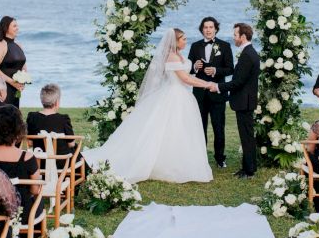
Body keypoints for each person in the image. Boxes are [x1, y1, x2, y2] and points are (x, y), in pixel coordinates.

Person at [83, 28, 213, 183]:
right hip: (174, 95)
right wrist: (207, 84)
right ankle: (166, 164)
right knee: (170, 128)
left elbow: (186, 76)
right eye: (183, 38)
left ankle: (177, 159)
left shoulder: (178, 55)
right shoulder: (172, 57)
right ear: (175, 41)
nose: (186, 41)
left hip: (181, 94)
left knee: (179, 129)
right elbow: (185, 79)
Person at [209, 23, 260, 179]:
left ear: (243, 36)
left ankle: (249, 170)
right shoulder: (249, 52)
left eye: (235, 35)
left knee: (246, 137)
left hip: (244, 102)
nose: (233, 37)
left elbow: (237, 82)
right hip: (245, 101)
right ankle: (248, 167)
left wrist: (217, 87)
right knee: (247, 136)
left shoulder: (247, 55)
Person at [188, 17, 234, 168]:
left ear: (216, 29)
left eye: (211, 27)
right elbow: (188, 69)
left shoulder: (225, 46)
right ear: (202, 29)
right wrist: (195, 67)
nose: (208, 30)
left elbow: (230, 69)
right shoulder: (195, 46)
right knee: (199, 127)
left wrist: (216, 70)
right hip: (200, 94)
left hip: (217, 94)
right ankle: (200, 158)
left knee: (218, 127)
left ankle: (220, 159)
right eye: (205, 27)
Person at [0, 105, 42, 225]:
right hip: (21, 214)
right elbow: (35, 190)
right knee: (38, 199)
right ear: (18, 130)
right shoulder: (27, 158)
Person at [27, 84, 84, 168]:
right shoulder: (63, 119)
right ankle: (89, 173)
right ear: (57, 102)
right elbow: (71, 144)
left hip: (40, 161)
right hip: (62, 162)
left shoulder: (32, 117)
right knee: (74, 148)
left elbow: (30, 142)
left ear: (42, 101)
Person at [0, 16, 27, 108]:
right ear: (6, 28)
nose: (17, 28)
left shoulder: (18, 45)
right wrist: (12, 82)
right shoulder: (0, 45)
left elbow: (23, 65)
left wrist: (23, 80)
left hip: (16, 88)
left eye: (17, 26)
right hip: (4, 88)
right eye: (14, 26)